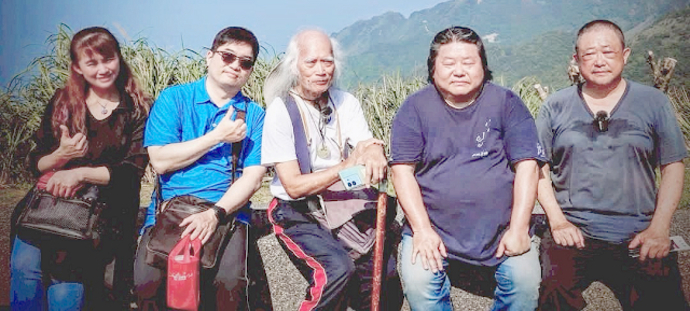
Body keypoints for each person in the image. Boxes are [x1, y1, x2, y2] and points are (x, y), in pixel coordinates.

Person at [390, 26, 546, 311]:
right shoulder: (414, 108)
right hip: (432, 229)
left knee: (525, 282)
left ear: (483, 66)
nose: (459, 71)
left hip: (502, 229)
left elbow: (528, 166)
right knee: (419, 285)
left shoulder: (507, 103)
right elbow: (402, 172)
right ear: (433, 69)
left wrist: (519, 228)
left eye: (468, 62)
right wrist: (422, 230)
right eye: (449, 63)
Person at [536, 20, 688, 311]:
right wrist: (557, 221)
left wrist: (659, 228)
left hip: (639, 229)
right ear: (576, 59)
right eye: (589, 54)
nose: (599, 61)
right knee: (552, 293)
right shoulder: (556, 105)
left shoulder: (653, 102)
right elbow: (537, 166)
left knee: (664, 300)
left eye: (608, 52)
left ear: (625, 55)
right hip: (574, 228)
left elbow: (672, 165)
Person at [261, 29, 403, 311]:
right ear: (295, 66)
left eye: (327, 61)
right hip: (298, 211)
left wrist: (374, 150)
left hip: (342, 206)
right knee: (335, 272)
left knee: (383, 281)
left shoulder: (345, 102)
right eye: (311, 62)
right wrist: (346, 166)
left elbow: (366, 145)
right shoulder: (281, 110)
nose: (321, 70)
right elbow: (293, 186)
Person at [10, 26, 150, 310]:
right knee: (24, 267)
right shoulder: (63, 102)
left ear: (119, 58)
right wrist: (61, 155)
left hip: (101, 216)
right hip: (48, 207)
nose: (102, 69)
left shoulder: (137, 108)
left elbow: (131, 171)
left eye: (108, 59)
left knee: (66, 277)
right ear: (77, 67)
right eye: (92, 63)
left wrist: (79, 173)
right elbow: (36, 162)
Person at [133, 26, 266, 311]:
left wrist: (215, 214)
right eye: (227, 56)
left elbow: (253, 178)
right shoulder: (174, 99)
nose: (235, 66)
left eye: (245, 62)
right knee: (147, 283)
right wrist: (217, 137)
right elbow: (160, 161)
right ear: (209, 56)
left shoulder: (255, 115)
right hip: (171, 210)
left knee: (229, 284)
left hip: (226, 213)